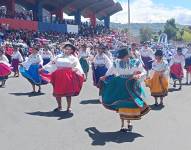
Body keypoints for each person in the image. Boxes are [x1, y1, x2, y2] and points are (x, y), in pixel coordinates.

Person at [100, 48, 150, 132]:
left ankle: (129, 122)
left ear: (128, 55)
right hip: (120, 84)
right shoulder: (117, 62)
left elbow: (144, 71)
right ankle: (122, 125)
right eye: (121, 57)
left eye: (124, 56)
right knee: (121, 103)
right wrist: (105, 76)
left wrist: (139, 75)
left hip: (131, 84)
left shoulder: (136, 62)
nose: (122, 58)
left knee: (131, 103)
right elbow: (111, 70)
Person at [41, 43, 84, 113]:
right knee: (57, 91)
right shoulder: (58, 56)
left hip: (68, 76)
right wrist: (43, 68)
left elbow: (78, 66)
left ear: (72, 51)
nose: (67, 50)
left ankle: (69, 107)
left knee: (68, 92)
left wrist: (81, 73)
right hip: (58, 75)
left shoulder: (73, 58)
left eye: (69, 49)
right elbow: (52, 63)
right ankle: (59, 106)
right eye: (66, 49)